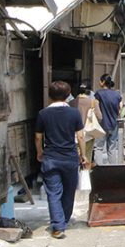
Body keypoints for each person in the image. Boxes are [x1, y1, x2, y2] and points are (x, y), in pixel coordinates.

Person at [35, 81, 87, 239]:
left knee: (53, 192)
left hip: (51, 158)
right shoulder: (74, 113)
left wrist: (39, 152)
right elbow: (80, 136)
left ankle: (58, 226)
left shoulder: (43, 114)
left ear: (49, 95)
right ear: (67, 95)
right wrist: (83, 155)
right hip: (70, 158)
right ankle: (62, 220)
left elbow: (38, 137)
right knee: (69, 191)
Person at [94, 74, 123, 165]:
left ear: (103, 82)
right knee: (112, 148)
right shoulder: (117, 94)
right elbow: (120, 108)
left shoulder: (99, 93)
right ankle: (112, 169)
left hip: (102, 124)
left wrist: (99, 119)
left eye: (100, 80)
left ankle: (99, 169)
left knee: (99, 147)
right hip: (114, 124)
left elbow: (96, 107)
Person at [75, 82, 102, 166]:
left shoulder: (71, 103)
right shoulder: (93, 102)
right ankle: (85, 177)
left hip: (73, 135)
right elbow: (100, 117)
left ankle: (76, 177)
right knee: (86, 160)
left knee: (75, 160)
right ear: (90, 92)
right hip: (88, 135)